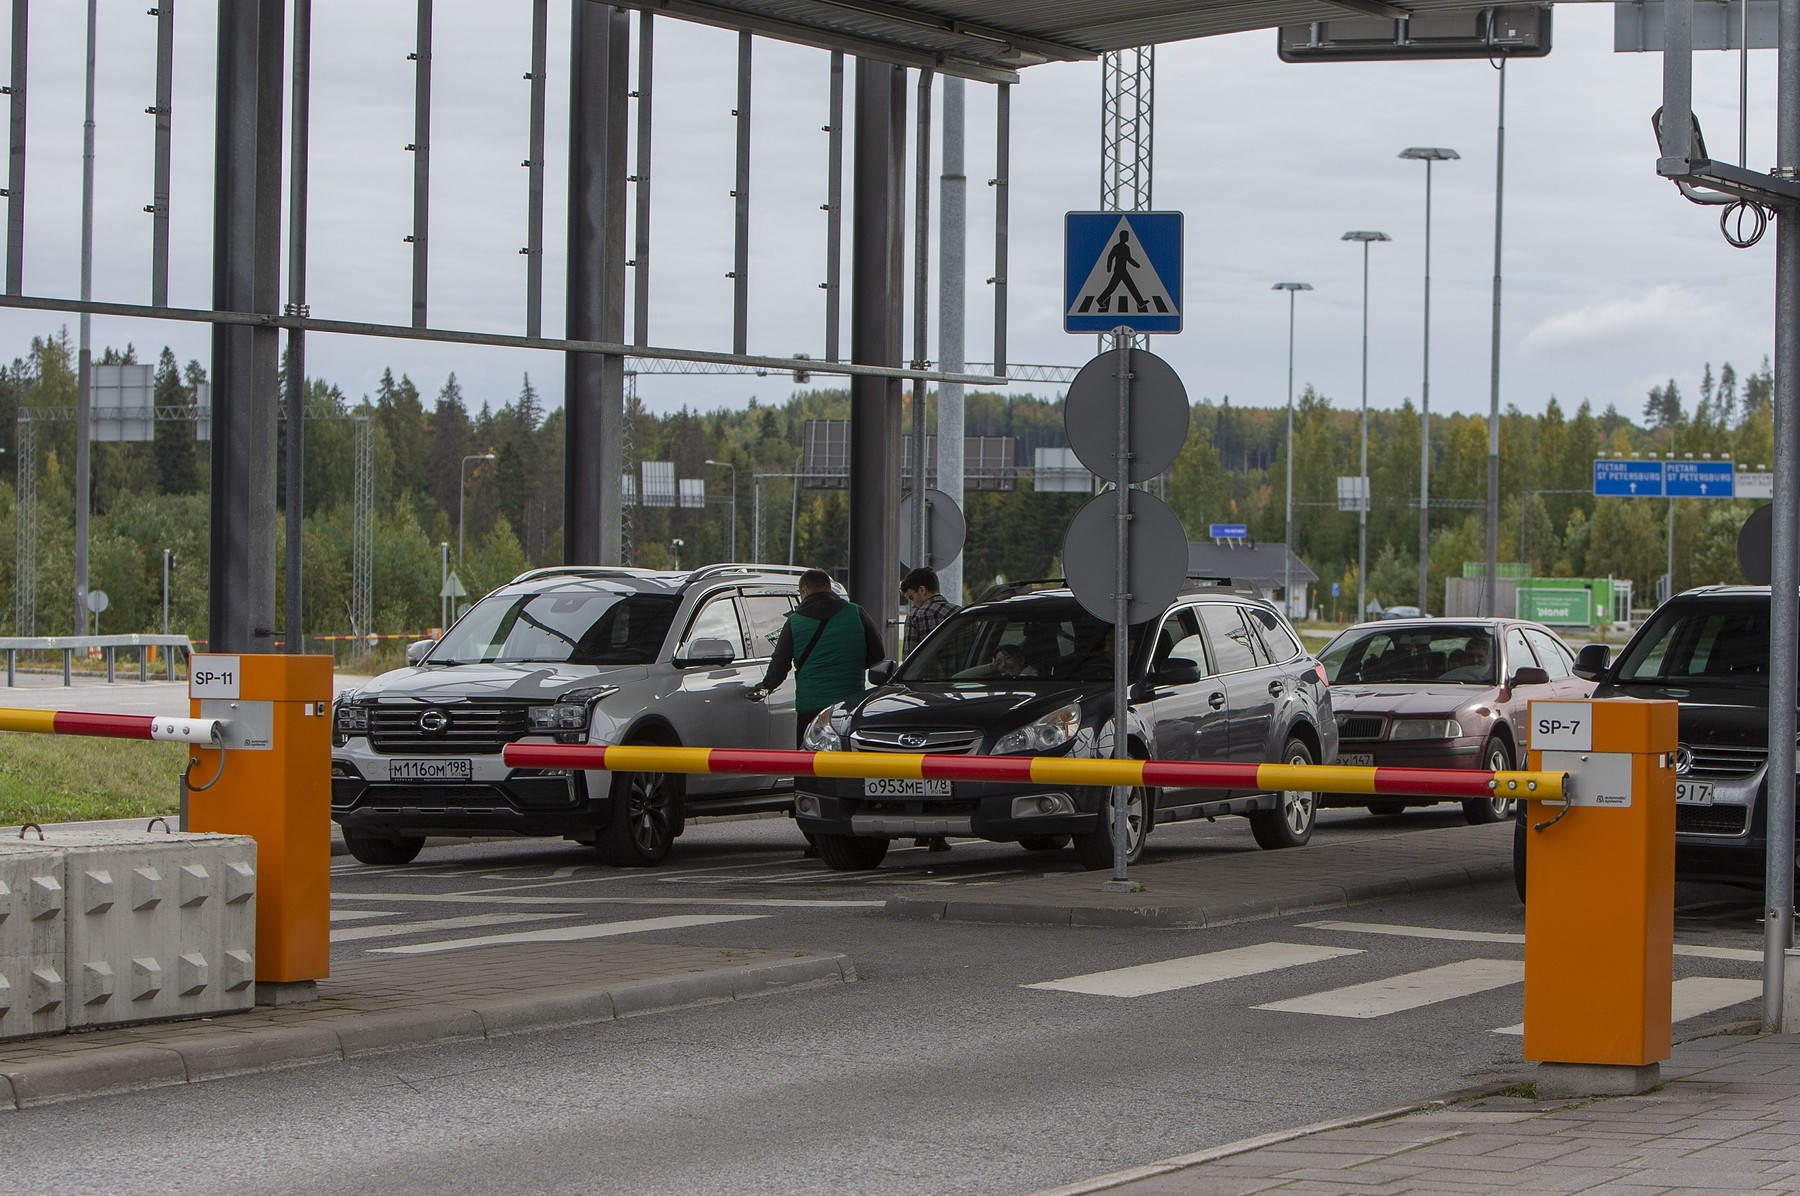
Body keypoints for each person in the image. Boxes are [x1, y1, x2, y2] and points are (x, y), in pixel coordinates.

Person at [748, 569, 887, 858]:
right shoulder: (857, 614)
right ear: (828, 588)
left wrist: (764, 686)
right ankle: (856, 824)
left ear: (805, 591)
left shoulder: (795, 622)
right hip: (847, 708)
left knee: (810, 773)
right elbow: (877, 656)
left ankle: (815, 836)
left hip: (811, 710)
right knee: (850, 769)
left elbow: (779, 667)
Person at [901, 567, 960, 657]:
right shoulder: (960, 613)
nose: (913, 604)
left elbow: (908, 659)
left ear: (922, 590)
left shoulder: (915, 618)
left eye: (912, 597)